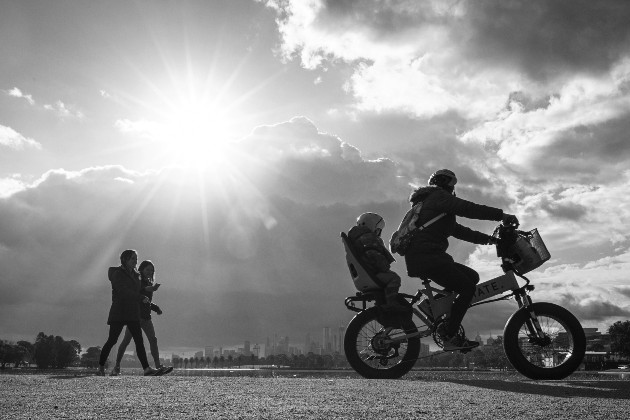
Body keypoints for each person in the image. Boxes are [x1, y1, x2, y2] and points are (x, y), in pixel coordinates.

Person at [403, 169, 518, 351]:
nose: (453, 188)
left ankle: (433, 309)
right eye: (452, 183)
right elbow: (467, 208)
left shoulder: (433, 205)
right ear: (444, 183)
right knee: (466, 287)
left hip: (427, 256)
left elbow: (460, 231)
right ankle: (450, 335)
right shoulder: (438, 197)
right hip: (428, 257)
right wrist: (501, 215)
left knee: (471, 277)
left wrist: (491, 240)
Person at [97, 250, 166, 376]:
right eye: (132, 259)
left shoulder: (136, 275)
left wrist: (149, 292)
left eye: (136, 258)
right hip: (119, 312)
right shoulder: (117, 274)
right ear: (124, 260)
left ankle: (146, 368)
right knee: (112, 340)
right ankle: (101, 366)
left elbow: (141, 289)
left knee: (139, 341)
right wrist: (141, 297)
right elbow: (124, 291)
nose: (135, 261)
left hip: (133, 312)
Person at [110, 260, 173, 376]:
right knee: (126, 341)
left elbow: (147, 301)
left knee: (153, 339)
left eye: (152, 270)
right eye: (147, 269)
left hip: (146, 318)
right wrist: (151, 289)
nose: (150, 272)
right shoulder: (137, 281)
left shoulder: (148, 282)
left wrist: (156, 308)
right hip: (135, 317)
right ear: (142, 269)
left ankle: (158, 366)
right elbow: (139, 292)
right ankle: (117, 366)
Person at [348, 212, 406, 312]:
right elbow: (374, 256)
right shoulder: (369, 238)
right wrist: (385, 267)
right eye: (379, 230)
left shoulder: (357, 238)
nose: (379, 233)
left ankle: (382, 302)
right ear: (373, 227)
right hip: (373, 275)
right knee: (394, 278)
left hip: (364, 276)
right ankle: (391, 304)